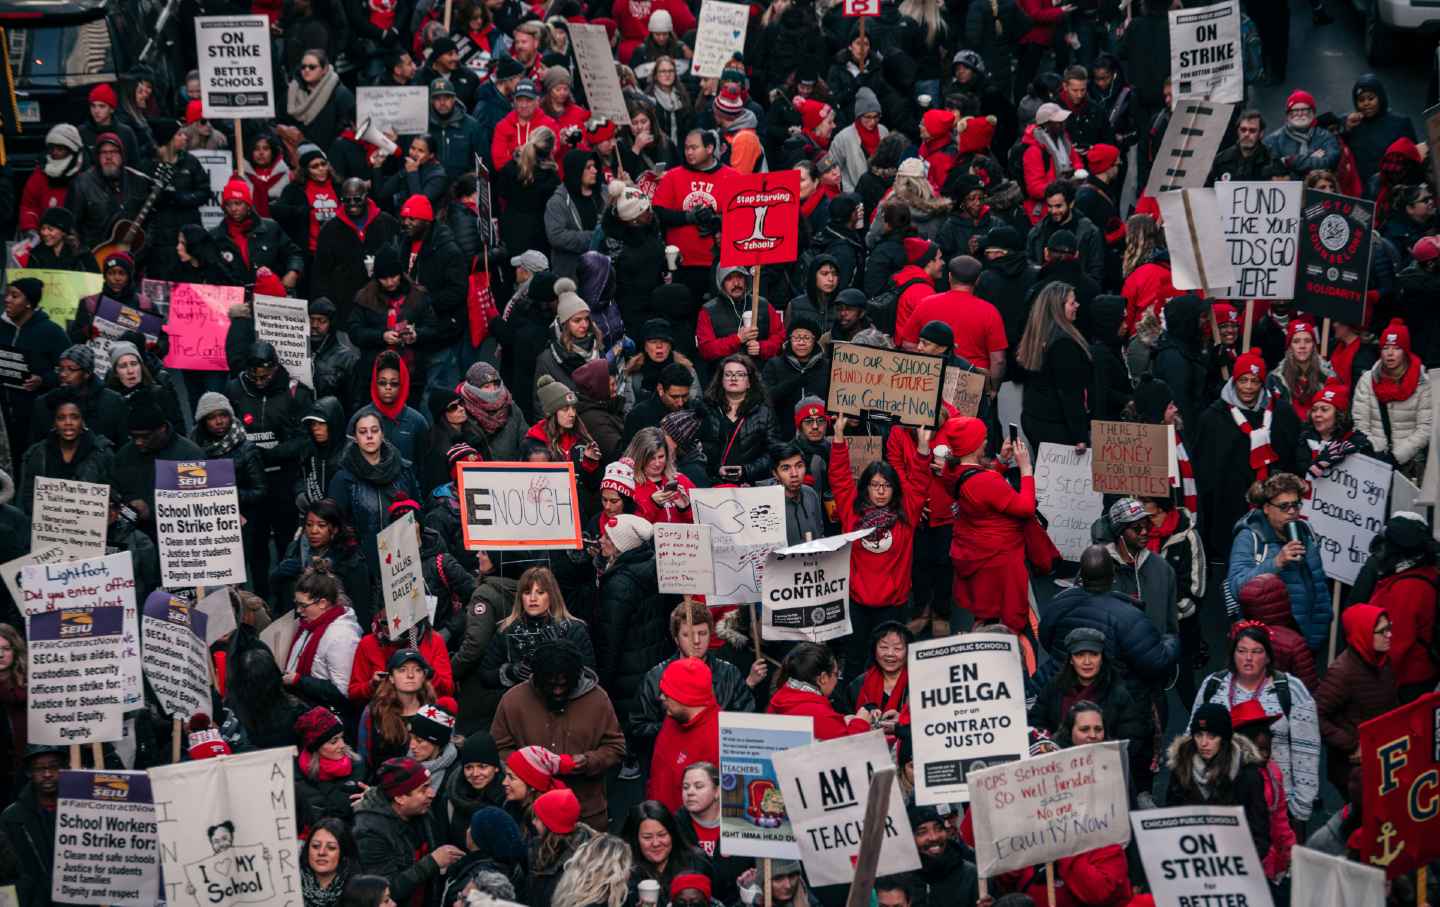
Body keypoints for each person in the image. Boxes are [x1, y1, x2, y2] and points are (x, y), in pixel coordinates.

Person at [829, 417, 931, 680]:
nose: (881, 492)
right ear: (867, 488)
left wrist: (922, 448)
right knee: (854, 658)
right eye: (875, 485)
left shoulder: (905, 515)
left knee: (890, 661)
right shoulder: (852, 513)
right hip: (857, 603)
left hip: (892, 605)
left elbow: (919, 483)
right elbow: (839, 478)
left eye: (886, 486)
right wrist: (838, 436)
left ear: (894, 489)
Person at [1193, 622, 1321, 826]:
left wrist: (1300, 809)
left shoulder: (1290, 689)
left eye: (1256, 651)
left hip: (1276, 802)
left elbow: (1306, 750)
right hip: (1220, 798)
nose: (1248, 658)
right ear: (1233, 654)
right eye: (1242, 651)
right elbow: (1193, 737)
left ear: (1268, 656)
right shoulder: (1213, 685)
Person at [491, 638, 626, 831]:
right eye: (550, 685)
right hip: (530, 817)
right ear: (537, 678)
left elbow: (616, 747)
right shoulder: (513, 701)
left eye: (564, 685)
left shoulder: (597, 699)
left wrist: (587, 761)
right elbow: (498, 747)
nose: (557, 691)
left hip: (586, 814)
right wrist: (529, 766)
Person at [1193, 349, 1302, 559]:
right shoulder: (1214, 418)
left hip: (1275, 510)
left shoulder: (1282, 413)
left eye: (1255, 381)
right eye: (1243, 380)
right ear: (1234, 381)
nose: (1249, 387)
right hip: (1229, 508)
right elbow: (1205, 472)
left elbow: (1294, 458)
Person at [631, 601, 759, 767]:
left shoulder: (729, 673)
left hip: (716, 766)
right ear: (676, 638)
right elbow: (638, 729)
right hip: (672, 766)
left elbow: (745, 721)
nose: (697, 641)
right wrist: (678, 725)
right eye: (688, 635)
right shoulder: (655, 677)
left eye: (702, 633)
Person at [946, 415, 1036, 634]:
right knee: (1010, 618)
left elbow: (980, 487)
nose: (986, 441)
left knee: (985, 612)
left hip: (977, 553)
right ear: (974, 445)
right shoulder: (987, 481)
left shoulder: (952, 471)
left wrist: (1002, 462)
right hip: (999, 559)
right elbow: (1026, 508)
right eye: (983, 438)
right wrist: (1026, 469)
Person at [1224, 473, 1329, 653]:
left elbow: (1319, 587)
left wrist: (1317, 637)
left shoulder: (1306, 532)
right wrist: (1276, 562)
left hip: (1305, 641)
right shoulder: (1249, 537)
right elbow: (1236, 587)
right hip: (1265, 644)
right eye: (1283, 506)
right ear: (1266, 508)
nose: (1292, 512)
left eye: (1296, 505)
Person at [1165, 704, 1272, 867]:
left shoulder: (1247, 775)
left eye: (1212, 736)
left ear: (1224, 738)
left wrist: (1240, 866)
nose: (1204, 743)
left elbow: (1260, 834)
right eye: (1199, 735)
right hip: (1190, 864)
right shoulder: (1181, 769)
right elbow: (1170, 822)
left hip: (1233, 867)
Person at [353, 756, 465, 905]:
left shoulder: (422, 811)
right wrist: (432, 862)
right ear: (400, 798)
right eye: (424, 788)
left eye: (430, 786)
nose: (432, 793)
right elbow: (385, 890)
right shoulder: (369, 832)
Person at [1354, 513, 1440, 701]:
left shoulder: (1407, 588)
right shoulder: (1420, 573)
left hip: (1405, 683)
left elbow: (1395, 645)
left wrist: (1373, 683)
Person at [478, 566, 595, 700]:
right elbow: (485, 676)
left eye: (540, 592)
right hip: (523, 710)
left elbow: (589, 678)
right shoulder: (507, 630)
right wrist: (510, 672)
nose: (533, 598)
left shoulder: (573, 628)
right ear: (520, 597)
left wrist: (560, 654)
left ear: (551, 595)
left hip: (565, 710)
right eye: (527, 592)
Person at [1316, 605, 1398, 790]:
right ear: (1364, 634)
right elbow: (1315, 716)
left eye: (1389, 627)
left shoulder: (1383, 661)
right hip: (1352, 766)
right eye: (1382, 631)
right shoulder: (1342, 673)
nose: (1389, 635)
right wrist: (1352, 745)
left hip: (1380, 754)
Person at [327, 412, 420, 573]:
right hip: (360, 565)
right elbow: (334, 524)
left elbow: (418, 508)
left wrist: (417, 524)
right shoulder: (343, 478)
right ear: (355, 437)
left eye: (374, 430)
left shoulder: (403, 470)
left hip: (401, 561)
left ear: (382, 434)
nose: (369, 436)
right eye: (362, 432)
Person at [1017, 281, 1091, 451]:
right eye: (1072, 303)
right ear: (1058, 307)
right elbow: (1069, 391)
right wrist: (1080, 435)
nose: (1077, 306)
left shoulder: (1038, 334)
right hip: (1056, 424)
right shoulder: (1063, 343)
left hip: (1034, 416)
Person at [1352, 318, 1432, 474]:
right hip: (1373, 461)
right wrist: (1376, 453)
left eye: (1396, 348)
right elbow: (1360, 422)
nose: (1390, 353)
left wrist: (1396, 457)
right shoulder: (1368, 380)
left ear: (1406, 350)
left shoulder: (1423, 383)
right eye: (1385, 347)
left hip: (1409, 465)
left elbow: (1425, 428)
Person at [17, 390, 114, 516]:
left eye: (74, 417)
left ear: (82, 421)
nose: (68, 423)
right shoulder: (37, 453)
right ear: (54, 423)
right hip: (47, 528)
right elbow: (26, 497)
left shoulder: (102, 453)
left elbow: (112, 497)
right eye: (61, 418)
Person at [284, 566, 364, 710]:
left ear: (322, 603)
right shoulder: (310, 624)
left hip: (328, 716)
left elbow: (342, 691)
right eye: (297, 604)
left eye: (303, 605)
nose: (299, 611)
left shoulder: (342, 636)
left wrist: (299, 680)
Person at [645, 657, 719, 811]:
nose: (661, 697)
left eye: (667, 693)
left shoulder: (717, 740)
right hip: (659, 823)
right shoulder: (673, 717)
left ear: (686, 697)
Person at [697, 354, 780, 485]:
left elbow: (773, 452)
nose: (733, 378)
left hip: (752, 484)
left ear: (749, 382)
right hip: (714, 484)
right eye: (728, 374)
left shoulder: (764, 412)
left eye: (740, 374)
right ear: (721, 380)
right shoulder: (707, 409)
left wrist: (746, 470)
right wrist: (716, 469)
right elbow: (697, 449)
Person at [0, 745, 64, 905]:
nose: (47, 774)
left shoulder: (82, 810)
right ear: (29, 773)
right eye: (39, 769)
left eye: (54, 767)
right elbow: (5, 876)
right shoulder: (11, 817)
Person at [767, 642, 870, 738]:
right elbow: (849, 748)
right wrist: (861, 722)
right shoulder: (817, 714)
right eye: (836, 674)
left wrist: (840, 722)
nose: (837, 680)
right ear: (823, 677)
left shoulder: (781, 697)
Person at [294, 708, 366, 828]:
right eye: (334, 741)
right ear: (316, 748)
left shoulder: (357, 764)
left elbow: (350, 810)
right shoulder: (300, 776)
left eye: (341, 737)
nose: (342, 745)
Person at [623, 801, 712, 895]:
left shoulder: (697, 862)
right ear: (636, 839)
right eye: (647, 837)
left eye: (662, 835)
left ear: (672, 834)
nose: (656, 843)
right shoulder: (626, 871)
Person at [1295, 380, 1374, 479]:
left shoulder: (1356, 442)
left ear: (1339, 414)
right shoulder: (1305, 437)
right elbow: (1300, 473)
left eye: (1324, 409)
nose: (1317, 414)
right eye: (1314, 410)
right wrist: (1322, 461)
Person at [907, 804, 980, 907]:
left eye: (938, 828)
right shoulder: (902, 880)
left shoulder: (970, 875)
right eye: (922, 832)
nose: (933, 837)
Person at [844, 621, 910, 734]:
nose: (890, 653)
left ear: (908, 651)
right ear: (874, 650)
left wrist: (904, 721)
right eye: (883, 647)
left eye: (897, 648)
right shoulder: (857, 685)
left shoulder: (918, 682)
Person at [1264, 91, 1340, 179]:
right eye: (1295, 110)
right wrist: (1311, 160)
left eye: (1304, 110)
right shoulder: (1273, 140)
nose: (1299, 114)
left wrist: (1291, 161)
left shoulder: (1325, 137)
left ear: (1313, 112)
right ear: (1288, 114)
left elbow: (1330, 162)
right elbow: (1272, 171)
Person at [549, 833, 633, 907]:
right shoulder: (601, 903)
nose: (629, 872)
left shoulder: (567, 893)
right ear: (616, 872)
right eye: (628, 866)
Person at [300, 816, 358, 904]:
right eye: (315, 846)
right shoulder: (290, 887)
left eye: (331, 848)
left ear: (344, 852)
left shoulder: (360, 892)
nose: (321, 852)